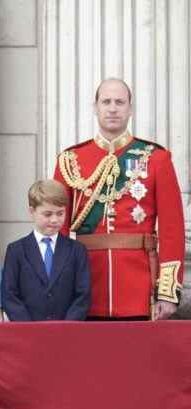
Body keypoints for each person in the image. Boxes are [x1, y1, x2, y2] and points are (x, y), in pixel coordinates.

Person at [53, 79, 184, 320]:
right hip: (85, 286)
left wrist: (166, 292)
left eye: (120, 102)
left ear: (130, 109)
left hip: (140, 288)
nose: (113, 108)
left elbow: (172, 228)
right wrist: (59, 285)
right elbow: (57, 228)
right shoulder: (71, 160)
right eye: (106, 102)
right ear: (95, 107)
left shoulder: (156, 158)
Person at [1, 180, 91, 321]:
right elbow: (9, 295)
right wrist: (29, 328)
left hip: (67, 332)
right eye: (48, 214)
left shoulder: (77, 250)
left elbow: (83, 294)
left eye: (60, 213)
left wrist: (67, 327)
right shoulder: (16, 250)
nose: (55, 220)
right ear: (32, 211)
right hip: (28, 334)